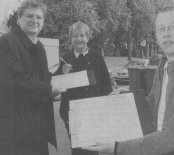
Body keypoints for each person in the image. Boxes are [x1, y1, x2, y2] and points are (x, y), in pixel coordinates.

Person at [83, 5, 174, 155]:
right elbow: (152, 103)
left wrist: (118, 147)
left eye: (173, 27)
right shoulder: (163, 66)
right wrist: (128, 96)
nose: (166, 33)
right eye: (161, 28)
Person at [0, 1, 65, 155]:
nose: (34, 20)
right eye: (29, 15)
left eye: (39, 17)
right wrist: (49, 90)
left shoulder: (40, 47)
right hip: (16, 126)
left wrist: (54, 88)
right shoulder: (7, 42)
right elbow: (14, 80)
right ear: (18, 19)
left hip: (38, 125)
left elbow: (41, 79)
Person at [54, 21, 112, 155]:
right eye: (75, 36)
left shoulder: (97, 57)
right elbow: (56, 86)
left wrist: (103, 111)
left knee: (92, 149)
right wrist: (62, 73)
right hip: (71, 113)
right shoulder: (65, 59)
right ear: (71, 39)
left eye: (82, 35)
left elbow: (106, 86)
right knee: (77, 150)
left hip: (93, 112)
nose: (79, 39)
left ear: (88, 37)